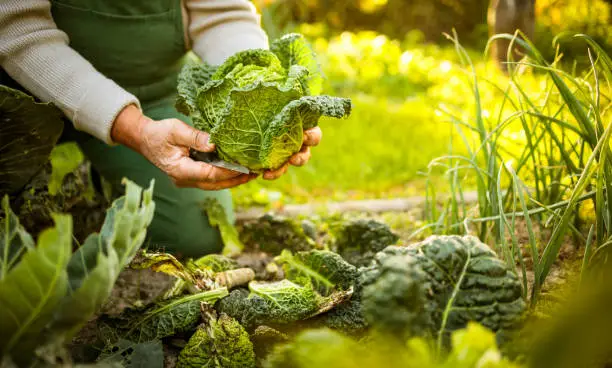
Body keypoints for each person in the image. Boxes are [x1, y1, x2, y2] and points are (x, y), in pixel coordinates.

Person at [0, 0, 322, 257]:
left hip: (148, 94)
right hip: (22, 94)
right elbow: (18, 30)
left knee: (196, 235)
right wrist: (134, 130)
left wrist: (268, 99)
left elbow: (223, 15)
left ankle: (100, 183)